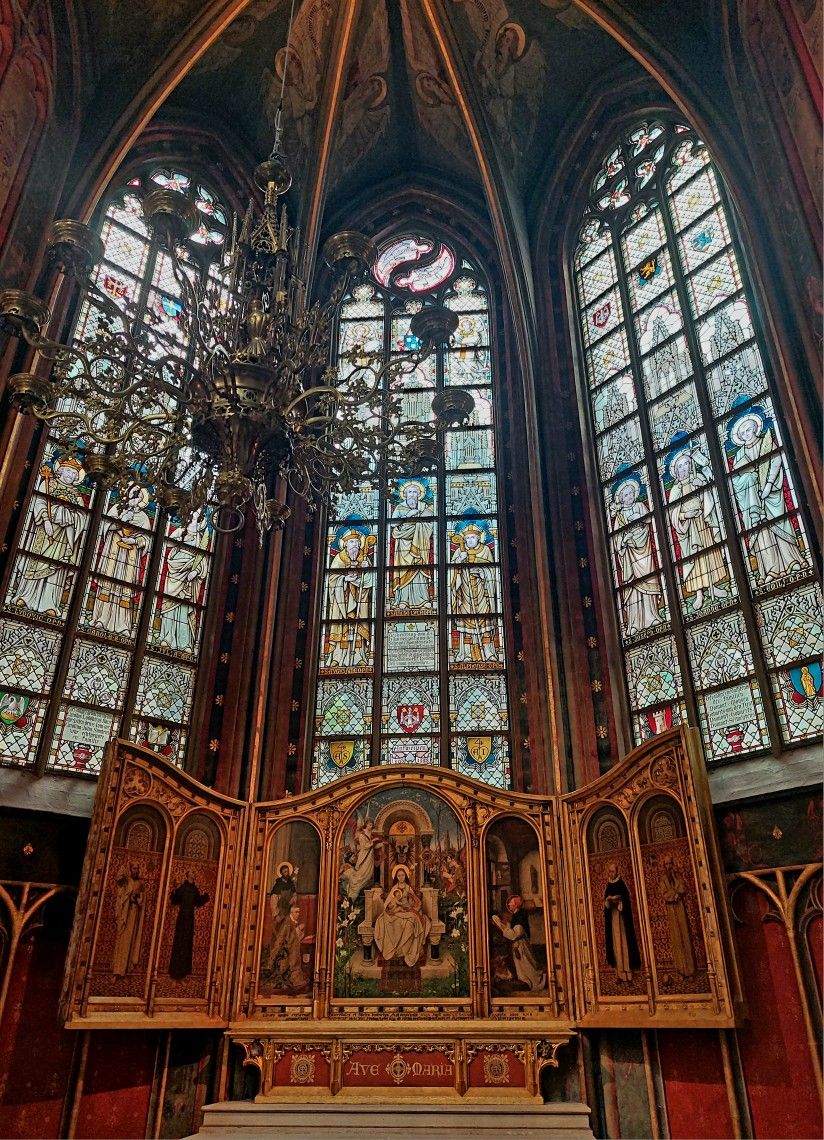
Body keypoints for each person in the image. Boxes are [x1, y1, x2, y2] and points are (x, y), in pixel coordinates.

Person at [728, 409, 808, 584]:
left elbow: (776, 460)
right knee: (762, 532)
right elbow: (735, 481)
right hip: (752, 499)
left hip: (771, 494)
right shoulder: (739, 454)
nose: (746, 435)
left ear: (756, 428)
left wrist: (769, 485)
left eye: (749, 430)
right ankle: (770, 570)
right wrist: (749, 481)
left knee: (780, 522)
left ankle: (793, 560)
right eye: (742, 433)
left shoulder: (766, 442)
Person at [14, 455, 86, 617]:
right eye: (68, 471)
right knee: (36, 562)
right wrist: (46, 520)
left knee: (56, 569)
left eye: (74, 473)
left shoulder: (76, 494)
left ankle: (50, 603)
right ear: (60, 471)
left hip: (63, 538)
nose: (70, 475)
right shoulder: (48, 483)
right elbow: (38, 503)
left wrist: (68, 517)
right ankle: (25, 596)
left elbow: (82, 517)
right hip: (42, 533)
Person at [666, 448, 728, 612]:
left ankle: (713, 586)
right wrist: (685, 514)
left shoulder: (698, 479)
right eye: (680, 466)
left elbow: (709, 497)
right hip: (688, 529)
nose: (684, 468)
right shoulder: (676, 490)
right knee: (694, 558)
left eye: (687, 464)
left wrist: (702, 490)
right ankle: (699, 593)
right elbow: (672, 515)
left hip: (703, 523)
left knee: (708, 552)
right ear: (676, 471)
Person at [90, 484, 152, 635]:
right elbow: (103, 526)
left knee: (126, 588)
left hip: (130, 557)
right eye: (133, 494)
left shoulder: (143, 517)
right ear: (127, 494)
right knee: (108, 583)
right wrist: (119, 521)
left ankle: (123, 625)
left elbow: (148, 539)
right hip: (113, 552)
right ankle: (100, 619)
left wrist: (136, 541)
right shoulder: (117, 509)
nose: (135, 497)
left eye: (139, 496)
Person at [610, 477, 664, 635]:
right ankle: (634, 623)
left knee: (648, 578)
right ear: (621, 498)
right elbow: (616, 539)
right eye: (626, 495)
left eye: (631, 493)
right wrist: (624, 540)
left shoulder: (641, 506)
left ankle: (652, 615)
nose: (629, 497)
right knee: (633, 586)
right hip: (629, 555)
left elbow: (648, 520)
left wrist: (638, 520)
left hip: (644, 550)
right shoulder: (619, 517)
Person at [155, 514, 209, 651]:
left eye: (198, 519)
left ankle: (184, 643)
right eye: (192, 517)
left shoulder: (200, 538)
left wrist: (195, 572)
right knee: (169, 606)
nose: (194, 521)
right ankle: (166, 638)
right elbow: (167, 544)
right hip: (175, 571)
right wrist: (179, 540)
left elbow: (203, 559)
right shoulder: (180, 531)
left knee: (184, 608)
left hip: (190, 574)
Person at [325, 529, 375, 668]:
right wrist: (345, 579)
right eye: (351, 542)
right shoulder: (339, 559)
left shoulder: (364, 560)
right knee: (341, 626)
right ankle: (336, 657)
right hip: (342, 601)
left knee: (358, 627)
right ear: (345, 544)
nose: (355, 545)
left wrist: (367, 570)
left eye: (357, 542)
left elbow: (370, 582)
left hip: (359, 601)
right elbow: (332, 579)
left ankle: (360, 656)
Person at [450, 522, 497, 662]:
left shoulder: (485, 551)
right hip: (465, 593)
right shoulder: (460, 551)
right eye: (468, 538)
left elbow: (493, 572)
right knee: (466, 622)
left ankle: (488, 653)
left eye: (473, 538)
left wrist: (482, 572)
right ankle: (466, 654)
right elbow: (452, 574)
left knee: (485, 623)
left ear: (479, 538)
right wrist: (459, 561)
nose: (470, 540)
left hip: (483, 593)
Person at [387, 482, 433, 613]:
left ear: (419, 494)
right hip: (403, 544)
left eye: (415, 492)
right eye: (410, 492)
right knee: (403, 570)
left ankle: (423, 599)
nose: (412, 495)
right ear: (405, 494)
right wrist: (408, 516)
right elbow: (393, 524)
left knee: (419, 569)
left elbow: (431, 523)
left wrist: (421, 517)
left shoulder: (424, 507)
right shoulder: (400, 508)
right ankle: (402, 600)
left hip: (420, 543)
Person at [374, 865, 431, 968]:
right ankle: (396, 950)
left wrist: (415, 908)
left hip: (407, 910)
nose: (401, 877)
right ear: (396, 876)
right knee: (392, 922)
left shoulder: (408, 888)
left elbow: (416, 901)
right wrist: (391, 908)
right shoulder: (394, 888)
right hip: (396, 912)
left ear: (405, 876)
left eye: (403, 875)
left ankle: (406, 951)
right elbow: (387, 904)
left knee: (411, 922)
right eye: (399, 875)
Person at [491, 894, 546, 992]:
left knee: (528, 967)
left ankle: (537, 983)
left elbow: (514, 934)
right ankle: (528, 983)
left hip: (522, 946)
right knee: (522, 969)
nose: (509, 905)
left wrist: (500, 924)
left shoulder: (520, 915)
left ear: (516, 905)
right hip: (518, 946)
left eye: (511, 903)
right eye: (508, 903)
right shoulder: (516, 916)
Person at [603, 863, 641, 982]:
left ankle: (627, 972)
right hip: (613, 919)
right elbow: (606, 903)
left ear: (617, 871)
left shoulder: (621, 884)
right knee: (616, 946)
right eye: (609, 871)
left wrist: (620, 901)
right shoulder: (608, 885)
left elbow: (626, 898)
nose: (611, 873)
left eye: (613, 871)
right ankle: (619, 974)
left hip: (622, 919)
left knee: (624, 944)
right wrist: (609, 900)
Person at [168, 871, 210, 980]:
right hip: (182, 918)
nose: (194, 874)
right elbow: (175, 900)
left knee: (187, 944)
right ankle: (175, 972)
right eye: (192, 873)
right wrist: (173, 892)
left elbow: (198, 902)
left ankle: (184, 972)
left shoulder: (194, 889)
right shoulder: (183, 887)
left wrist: (205, 897)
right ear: (188, 875)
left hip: (190, 919)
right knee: (179, 943)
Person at [660, 855, 696, 979]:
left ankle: (690, 971)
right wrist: (674, 894)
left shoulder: (677, 876)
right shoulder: (663, 879)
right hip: (671, 909)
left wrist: (676, 892)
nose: (668, 866)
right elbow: (664, 893)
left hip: (680, 907)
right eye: (666, 864)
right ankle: (680, 970)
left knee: (685, 937)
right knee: (676, 939)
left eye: (670, 864)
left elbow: (683, 888)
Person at [261, 902, 308, 994]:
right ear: (291, 913)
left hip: (294, 953)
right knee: (290, 970)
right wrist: (273, 957)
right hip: (288, 954)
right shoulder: (287, 923)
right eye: (296, 912)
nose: (298, 914)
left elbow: (294, 937)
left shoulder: (292, 923)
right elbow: (281, 939)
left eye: (299, 912)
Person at [111, 862, 145, 977]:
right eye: (135, 868)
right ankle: (117, 970)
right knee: (122, 941)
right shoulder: (127, 882)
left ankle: (126, 970)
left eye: (137, 868)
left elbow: (141, 900)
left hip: (133, 913)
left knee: (130, 941)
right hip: (125, 913)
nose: (137, 870)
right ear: (131, 870)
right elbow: (119, 882)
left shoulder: (140, 883)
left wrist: (136, 898)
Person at [343, 817, 382, 899]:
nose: (371, 826)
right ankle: (355, 888)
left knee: (369, 873)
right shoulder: (361, 835)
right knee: (363, 873)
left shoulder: (369, 834)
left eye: (372, 825)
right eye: (370, 824)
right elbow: (365, 846)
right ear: (366, 825)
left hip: (369, 857)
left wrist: (383, 844)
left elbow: (372, 847)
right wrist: (374, 840)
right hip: (364, 856)